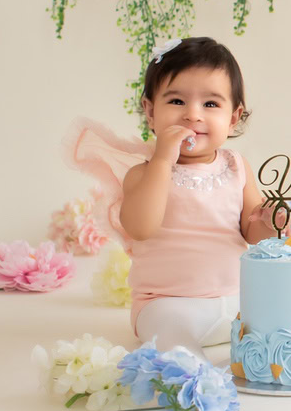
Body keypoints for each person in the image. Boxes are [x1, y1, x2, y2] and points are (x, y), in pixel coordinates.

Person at [67, 37, 276, 356]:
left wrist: (269, 221)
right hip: (166, 305)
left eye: (210, 104)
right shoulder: (143, 173)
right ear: (151, 113)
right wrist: (163, 160)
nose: (193, 115)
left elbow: (253, 233)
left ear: (233, 117)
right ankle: (199, 379)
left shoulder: (237, 167)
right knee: (172, 339)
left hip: (238, 301)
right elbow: (140, 227)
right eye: (177, 101)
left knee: (290, 316)